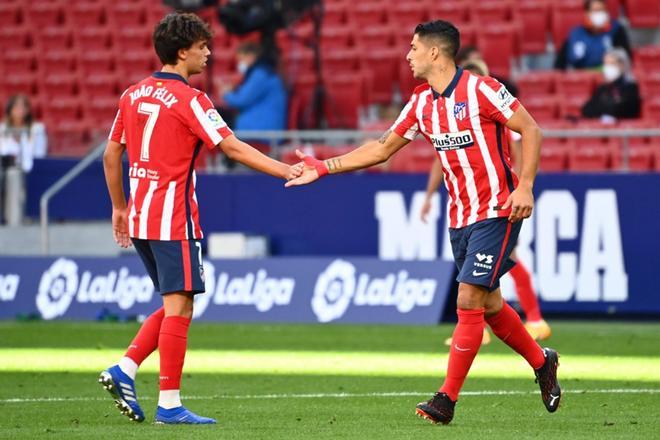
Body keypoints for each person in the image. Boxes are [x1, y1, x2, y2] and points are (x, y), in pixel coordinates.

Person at [286, 20, 561, 425]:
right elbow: (381, 149)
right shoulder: (420, 103)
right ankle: (542, 362)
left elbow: (531, 129)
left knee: (468, 299)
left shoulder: (482, 89)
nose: (407, 55)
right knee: (489, 305)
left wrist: (526, 187)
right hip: (460, 218)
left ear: (435, 52)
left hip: (498, 210)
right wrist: (324, 167)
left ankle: (445, 399)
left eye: (413, 48)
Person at [100, 12, 302, 425]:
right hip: (173, 218)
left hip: (140, 216)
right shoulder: (192, 100)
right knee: (180, 306)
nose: (209, 53)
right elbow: (232, 148)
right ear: (181, 51)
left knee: (179, 302)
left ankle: (126, 369)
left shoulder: (132, 94)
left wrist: (119, 207)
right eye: (202, 46)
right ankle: (168, 403)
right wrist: (285, 170)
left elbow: (110, 155)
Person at [420, 58, 552, 345]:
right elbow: (438, 160)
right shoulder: (445, 119)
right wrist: (430, 196)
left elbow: (522, 149)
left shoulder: (499, 116)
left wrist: (520, 187)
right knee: (487, 279)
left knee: (504, 262)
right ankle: (509, 327)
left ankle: (533, 318)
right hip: (468, 207)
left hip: (498, 202)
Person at [218, 42, 287, 150]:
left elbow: (241, 100)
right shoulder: (264, 72)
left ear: (250, 56)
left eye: (241, 60)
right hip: (261, 127)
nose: (240, 64)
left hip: (263, 130)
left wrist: (226, 94)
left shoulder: (260, 74)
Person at [0, 94, 47, 224]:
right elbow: (3, 151)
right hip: (6, 168)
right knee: (9, 173)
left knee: (14, 175)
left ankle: (17, 219)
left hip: (29, 169)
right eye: (16, 107)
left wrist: (24, 140)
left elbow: (38, 153)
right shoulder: (3, 129)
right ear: (10, 109)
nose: (20, 110)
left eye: (23, 107)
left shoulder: (37, 129)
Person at [554, 0, 632, 70]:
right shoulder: (575, 35)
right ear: (586, 13)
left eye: (602, 10)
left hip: (606, 79)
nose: (599, 14)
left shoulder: (616, 30)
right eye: (595, 11)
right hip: (582, 79)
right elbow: (560, 64)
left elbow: (625, 58)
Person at [581, 48, 641, 121]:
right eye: (606, 64)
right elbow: (586, 109)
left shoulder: (631, 87)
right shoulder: (603, 88)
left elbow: (623, 110)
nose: (608, 67)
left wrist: (604, 107)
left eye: (611, 64)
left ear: (622, 65)